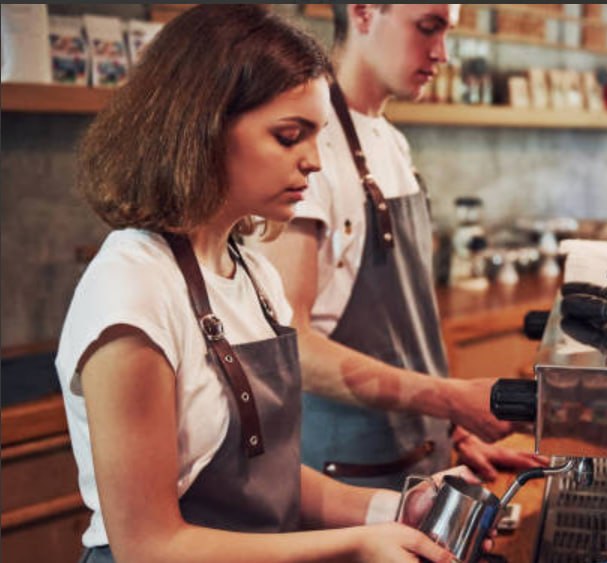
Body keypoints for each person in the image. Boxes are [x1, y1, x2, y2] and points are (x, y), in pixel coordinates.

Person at [57, 5, 479, 562]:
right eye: (288, 136)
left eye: (316, 136)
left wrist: (394, 511)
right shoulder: (132, 292)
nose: (313, 162)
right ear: (201, 127)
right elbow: (150, 545)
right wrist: (357, 545)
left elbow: (270, 481)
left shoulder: (253, 274)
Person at [252, 4, 544, 490]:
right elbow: (290, 345)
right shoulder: (310, 151)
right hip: (347, 477)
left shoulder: (391, 143)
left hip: (418, 457)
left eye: (447, 32)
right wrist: (450, 398)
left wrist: (452, 431)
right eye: (428, 27)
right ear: (363, 13)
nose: (443, 53)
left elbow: (405, 330)